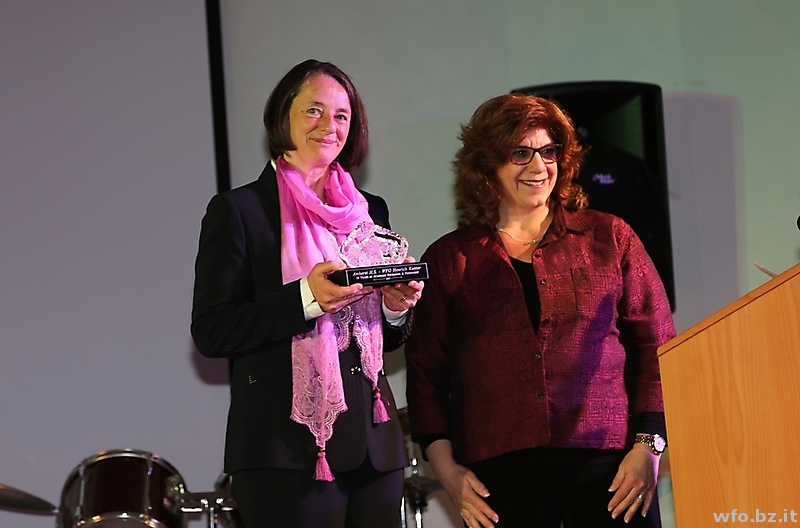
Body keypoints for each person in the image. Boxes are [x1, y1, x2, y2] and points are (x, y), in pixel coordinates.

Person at [404, 93, 676, 528]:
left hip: (610, 473)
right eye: (520, 153)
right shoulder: (450, 258)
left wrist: (649, 447)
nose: (538, 166)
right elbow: (425, 375)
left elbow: (658, 348)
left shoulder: (611, 237)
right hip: (499, 480)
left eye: (548, 152)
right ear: (488, 164)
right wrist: (446, 470)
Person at [191, 59, 423, 528]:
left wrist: (395, 309)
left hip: (375, 447)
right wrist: (305, 298)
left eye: (341, 115)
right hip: (284, 453)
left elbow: (384, 337)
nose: (329, 126)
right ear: (284, 116)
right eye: (314, 110)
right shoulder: (240, 210)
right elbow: (213, 330)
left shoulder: (369, 210)